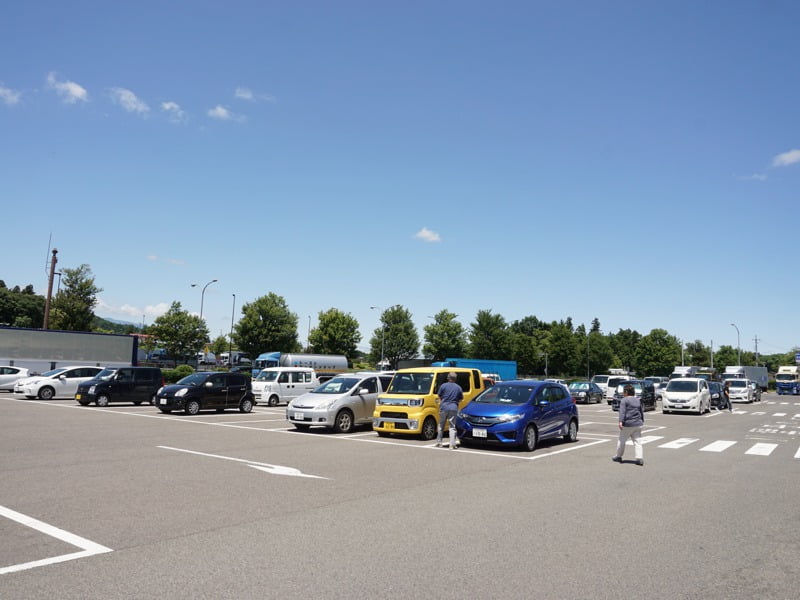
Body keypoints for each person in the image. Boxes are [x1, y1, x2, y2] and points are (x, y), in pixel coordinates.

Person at [612, 383, 644, 466]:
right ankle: (639, 458)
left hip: (628, 424)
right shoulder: (637, 400)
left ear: (626, 392)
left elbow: (622, 412)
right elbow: (641, 411)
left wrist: (620, 421)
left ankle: (618, 456)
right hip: (638, 423)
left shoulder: (624, 400)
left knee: (622, 440)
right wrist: (642, 420)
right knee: (638, 442)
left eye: (623, 391)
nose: (623, 393)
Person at [436, 372, 463, 449]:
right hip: (453, 407)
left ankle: (439, 442)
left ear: (448, 378)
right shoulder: (458, 387)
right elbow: (461, 398)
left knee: (441, 425)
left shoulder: (443, 386)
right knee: (452, 426)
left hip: (443, 407)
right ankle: (452, 444)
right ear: (455, 379)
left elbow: (439, 395)